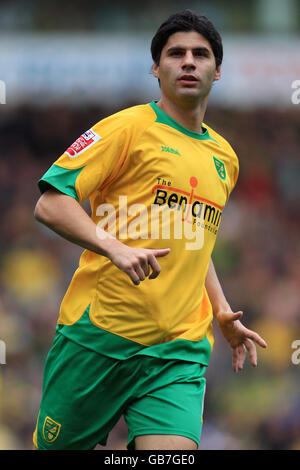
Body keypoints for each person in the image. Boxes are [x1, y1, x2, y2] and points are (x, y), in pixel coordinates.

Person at [33, 10, 267, 450]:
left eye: (201, 54)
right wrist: (113, 247)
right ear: (156, 69)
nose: (189, 62)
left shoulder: (226, 157)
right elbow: (51, 203)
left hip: (178, 350)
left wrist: (220, 309)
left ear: (217, 71)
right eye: (175, 54)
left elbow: (194, 242)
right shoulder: (126, 128)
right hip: (98, 337)